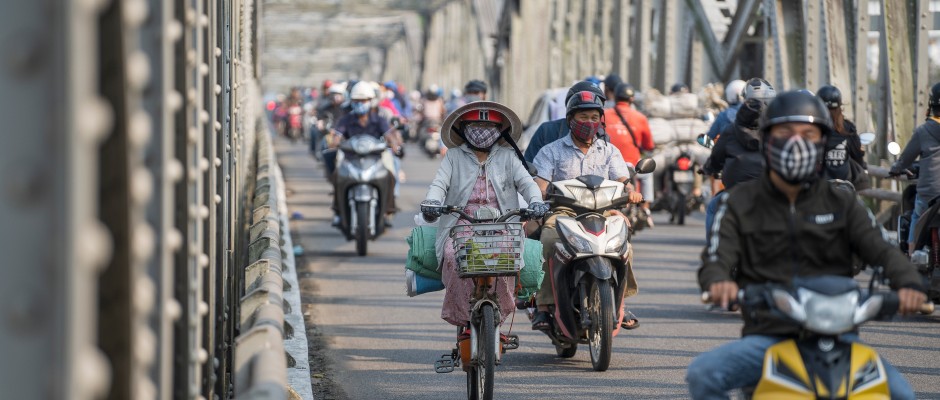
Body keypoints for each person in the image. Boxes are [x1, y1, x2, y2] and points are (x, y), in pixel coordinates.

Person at [686, 90, 927, 400]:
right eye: (785, 132)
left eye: (808, 134)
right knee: (703, 374)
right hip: (769, 337)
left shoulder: (842, 201)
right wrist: (719, 281)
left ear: (822, 142)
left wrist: (909, 284)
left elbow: (881, 248)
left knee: (902, 394)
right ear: (767, 139)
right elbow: (716, 256)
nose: (796, 142)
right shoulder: (739, 202)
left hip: (840, 339)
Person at [418, 101, 548, 337]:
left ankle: (497, 316)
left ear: (500, 131)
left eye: (488, 127)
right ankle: (464, 317)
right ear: (463, 129)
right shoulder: (453, 156)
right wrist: (433, 202)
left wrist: (535, 201)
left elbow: (527, 183)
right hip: (462, 223)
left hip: (503, 223)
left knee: (509, 258)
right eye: (476, 126)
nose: (482, 131)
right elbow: (439, 184)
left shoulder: (509, 157)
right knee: (453, 255)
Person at [529, 89, 645, 330]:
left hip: (602, 212)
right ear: (570, 119)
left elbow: (623, 180)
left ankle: (619, 303)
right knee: (548, 240)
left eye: (594, 117)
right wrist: (542, 191)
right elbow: (540, 184)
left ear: (601, 120)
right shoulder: (551, 151)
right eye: (583, 117)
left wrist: (630, 191)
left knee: (625, 243)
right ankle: (543, 307)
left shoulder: (609, 151)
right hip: (563, 213)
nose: (589, 123)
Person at [329, 82, 400, 225]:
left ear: (370, 101)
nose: (360, 104)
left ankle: (388, 210)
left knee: (390, 175)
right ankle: (338, 211)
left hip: (376, 158)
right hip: (351, 158)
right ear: (351, 102)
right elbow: (337, 137)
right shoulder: (346, 120)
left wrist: (394, 144)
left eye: (363, 101)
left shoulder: (379, 120)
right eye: (357, 101)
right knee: (337, 175)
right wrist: (334, 142)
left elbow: (389, 136)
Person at [891, 82, 940, 255]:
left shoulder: (923, 131)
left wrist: (895, 169)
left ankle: (912, 255)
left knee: (916, 217)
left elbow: (905, 159)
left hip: (929, 193)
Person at [605, 82, 656, 228]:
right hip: (633, 164)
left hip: (609, 165)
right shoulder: (640, 117)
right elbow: (649, 145)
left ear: (615, 97)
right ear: (632, 99)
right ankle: (645, 208)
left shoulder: (604, 115)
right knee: (647, 175)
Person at [523, 80, 607, 163]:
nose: (589, 122)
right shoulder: (547, 131)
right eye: (583, 115)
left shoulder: (602, 137)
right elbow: (529, 165)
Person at [817, 85, 868, 189]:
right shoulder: (848, 128)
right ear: (840, 107)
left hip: (819, 185)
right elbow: (857, 153)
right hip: (844, 185)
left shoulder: (814, 129)